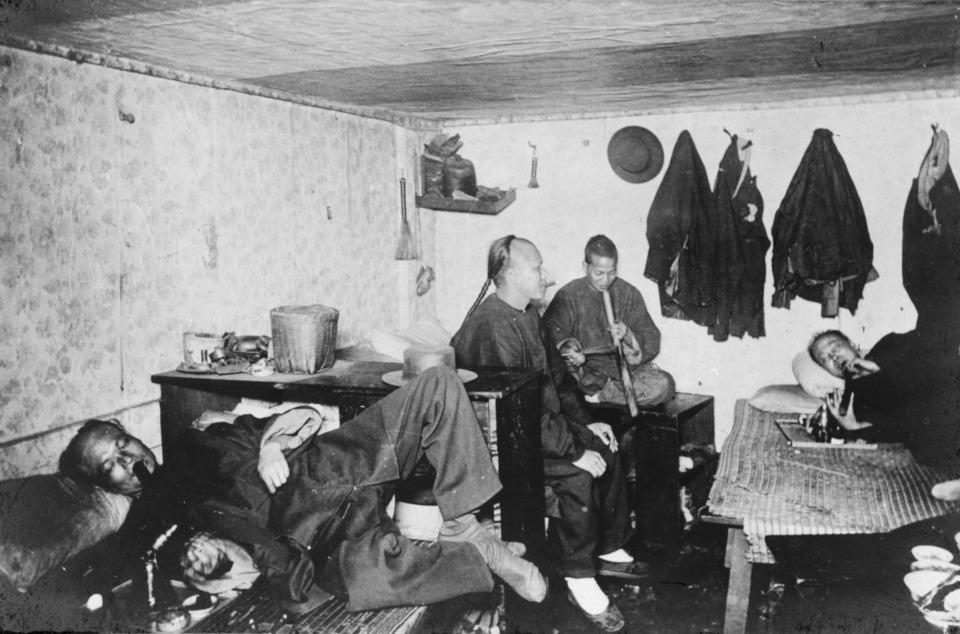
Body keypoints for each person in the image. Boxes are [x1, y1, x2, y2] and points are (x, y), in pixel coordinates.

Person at [57, 366, 547, 615]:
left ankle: (468, 526)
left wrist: (271, 444)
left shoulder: (195, 440)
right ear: (106, 485)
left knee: (438, 383)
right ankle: (484, 557)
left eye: (124, 444)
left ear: (135, 436)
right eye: (112, 465)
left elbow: (300, 416)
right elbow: (93, 573)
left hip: (329, 465)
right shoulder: (151, 527)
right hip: (316, 541)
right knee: (366, 582)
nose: (128, 460)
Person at [451, 234, 641, 633]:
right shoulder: (492, 326)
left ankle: (606, 544)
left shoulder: (526, 315)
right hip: (504, 445)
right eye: (538, 267)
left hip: (536, 431)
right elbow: (518, 417)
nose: (547, 276)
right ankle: (578, 576)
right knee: (580, 473)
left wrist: (586, 423)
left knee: (606, 445)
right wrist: (573, 452)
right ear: (510, 273)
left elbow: (558, 380)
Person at [543, 234, 675, 408]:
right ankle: (611, 394)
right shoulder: (569, 295)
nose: (605, 280)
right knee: (568, 379)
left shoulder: (628, 293)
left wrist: (627, 335)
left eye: (611, 273)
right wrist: (569, 349)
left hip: (623, 373)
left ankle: (605, 394)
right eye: (599, 273)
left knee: (664, 384)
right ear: (585, 266)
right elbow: (549, 335)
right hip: (587, 373)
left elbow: (650, 338)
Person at [810, 329, 960, 472]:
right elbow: (895, 435)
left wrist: (881, 365)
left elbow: (935, 346)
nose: (833, 357)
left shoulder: (889, 344)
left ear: (852, 344)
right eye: (824, 359)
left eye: (835, 347)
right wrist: (854, 427)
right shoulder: (850, 405)